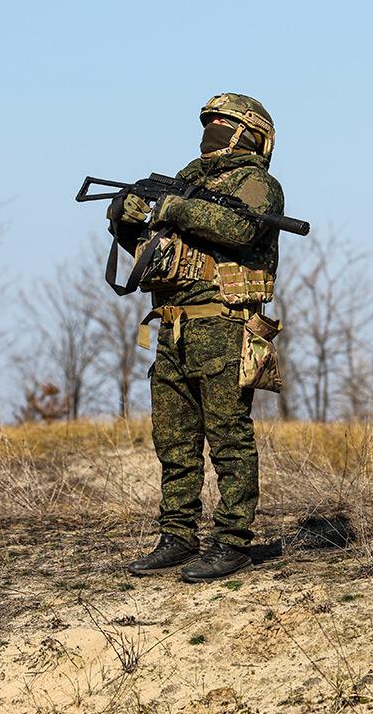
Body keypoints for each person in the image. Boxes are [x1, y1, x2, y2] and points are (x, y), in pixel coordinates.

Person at [107, 93, 286, 583]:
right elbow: (148, 249)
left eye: (222, 123)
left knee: (228, 437)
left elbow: (239, 230)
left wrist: (176, 209)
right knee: (174, 440)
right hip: (172, 325)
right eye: (211, 121)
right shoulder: (185, 185)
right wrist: (127, 219)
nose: (213, 129)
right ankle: (177, 535)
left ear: (246, 132)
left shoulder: (256, 184)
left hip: (225, 325)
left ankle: (231, 542)